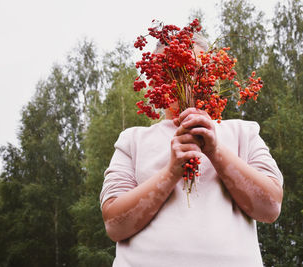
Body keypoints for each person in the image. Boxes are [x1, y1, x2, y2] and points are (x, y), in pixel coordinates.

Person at [100, 37, 283, 267]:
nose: (182, 80)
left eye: (191, 70)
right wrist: (170, 173)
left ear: (209, 75)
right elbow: (115, 225)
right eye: (170, 73)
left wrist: (216, 152)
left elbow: (271, 207)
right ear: (156, 81)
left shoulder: (242, 133)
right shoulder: (132, 140)